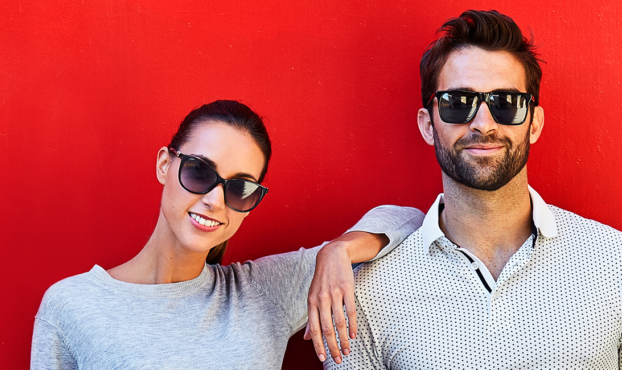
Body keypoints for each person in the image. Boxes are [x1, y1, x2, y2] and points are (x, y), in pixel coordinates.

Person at [324, 10, 622, 369]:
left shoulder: (613, 262)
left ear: (535, 123)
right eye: (458, 103)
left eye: (506, 104)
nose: (484, 123)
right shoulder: (366, 292)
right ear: (428, 125)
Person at [30, 100, 424, 369]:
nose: (216, 200)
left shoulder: (262, 292)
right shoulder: (74, 305)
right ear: (166, 165)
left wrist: (337, 251)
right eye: (200, 172)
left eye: (240, 188)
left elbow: (407, 219)